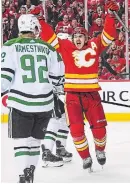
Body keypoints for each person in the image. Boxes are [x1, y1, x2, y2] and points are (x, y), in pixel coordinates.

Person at [30, 0, 119, 171]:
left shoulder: (95, 44)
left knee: (99, 129)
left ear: (87, 37)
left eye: (81, 36)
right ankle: (85, 157)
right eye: (75, 37)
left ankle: (100, 151)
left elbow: (108, 35)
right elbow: (49, 37)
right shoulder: (66, 46)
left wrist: (110, 16)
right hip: (72, 96)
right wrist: (40, 19)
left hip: (92, 95)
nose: (78, 39)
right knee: (76, 130)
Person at [1, 14, 64, 183]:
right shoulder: (49, 48)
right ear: (35, 28)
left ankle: (23, 175)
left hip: (21, 103)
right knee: (35, 141)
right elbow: (58, 78)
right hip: (44, 104)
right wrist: (58, 87)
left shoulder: (9, 46)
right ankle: (31, 171)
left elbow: (4, 79)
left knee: (21, 142)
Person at [41, 33, 72, 167]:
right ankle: (47, 152)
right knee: (54, 120)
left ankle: (60, 148)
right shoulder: (53, 56)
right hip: (49, 93)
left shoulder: (63, 56)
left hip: (57, 94)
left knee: (65, 118)